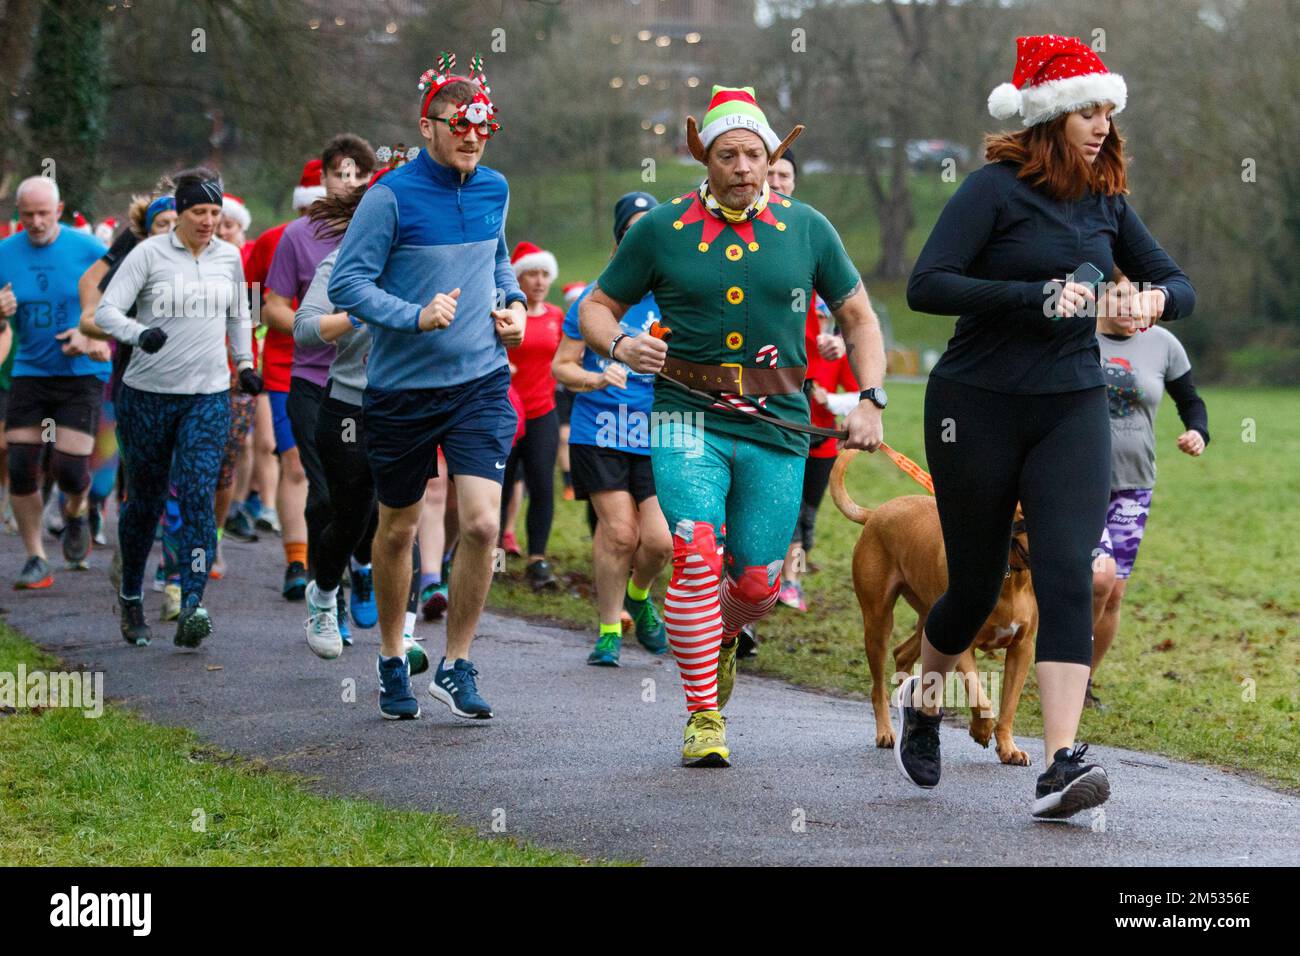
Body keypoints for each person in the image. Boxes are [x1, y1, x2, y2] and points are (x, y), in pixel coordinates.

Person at [903, 35, 1195, 819]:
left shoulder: (1106, 203)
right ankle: (925, 702)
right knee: (972, 588)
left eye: (1107, 111)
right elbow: (926, 286)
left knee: (1068, 569)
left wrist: (1152, 301)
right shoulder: (991, 192)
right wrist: (1033, 296)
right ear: (1048, 117)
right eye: (1086, 111)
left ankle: (1063, 763)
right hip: (977, 403)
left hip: (1072, 404)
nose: (1101, 124)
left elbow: (1179, 282)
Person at [580, 85, 886, 767]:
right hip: (685, 414)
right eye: (728, 154)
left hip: (779, 424)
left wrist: (871, 397)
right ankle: (702, 716)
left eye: (754, 153)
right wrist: (621, 346)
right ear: (705, 157)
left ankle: (716, 634)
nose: (743, 166)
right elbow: (597, 307)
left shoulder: (808, 228)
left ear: (771, 156)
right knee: (693, 551)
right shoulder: (661, 228)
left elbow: (860, 316)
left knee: (757, 583)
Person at [328, 52, 526, 720]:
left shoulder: (494, 188)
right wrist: (412, 316)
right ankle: (391, 657)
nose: (473, 137)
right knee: (397, 530)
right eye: (460, 125)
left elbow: (498, 261)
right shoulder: (389, 196)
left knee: (481, 523)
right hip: (401, 391)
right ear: (428, 126)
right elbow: (347, 285)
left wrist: (511, 306)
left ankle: (458, 662)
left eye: (483, 127)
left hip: (479, 382)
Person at [96, 167, 260, 647]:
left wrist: (246, 362)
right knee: (144, 500)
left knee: (196, 495)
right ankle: (130, 595)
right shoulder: (148, 253)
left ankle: (192, 602)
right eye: (199, 212)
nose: (209, 221)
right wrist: (138, 334)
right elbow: (108, 311)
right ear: (180, 212)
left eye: (216, 212)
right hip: (146, 396)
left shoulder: (229, 257)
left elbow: (239, 313)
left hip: (208, 396)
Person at [264, 135, 376, 633]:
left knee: (373, 493)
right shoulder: (298, 236)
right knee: (328, 491)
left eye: (359, 174)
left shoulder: (387, 231)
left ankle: (365, 566)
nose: (349, 182)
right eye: (340, 174)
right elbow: (273, 307)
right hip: (311, 379)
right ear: (321, 180)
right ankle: (328, 594)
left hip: (375, 384)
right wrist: (323, 328)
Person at [554, 192, 671, 666]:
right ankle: (608, 629)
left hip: (658, 433)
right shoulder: (595, 298)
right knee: (620, 533)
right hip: (599, 430)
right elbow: (561, 367)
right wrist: (596, 377)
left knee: (660, 540)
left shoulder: (673, 296)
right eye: (631, 233)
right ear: (619, 240)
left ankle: (640, 598)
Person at [1089, 291, 1208, 706]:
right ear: (1099, 298)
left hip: (1134, 483)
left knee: (1114, 591)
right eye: (1119, 297)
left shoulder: (1162, 344)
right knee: (1095, 579)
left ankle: (1081, 682)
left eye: (1137, 298)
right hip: (1078, 480)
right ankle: (1058, 659)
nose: (1129, 307)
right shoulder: (1076, 337)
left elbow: (1190, 401)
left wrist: (1198, 433)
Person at [0, 176, 110, 589]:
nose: (36, 222)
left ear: (59, 212)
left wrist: (90, 332)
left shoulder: (87, 249)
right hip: (30, 369)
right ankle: (35, 557)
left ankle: (77, 511)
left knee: (69, 468)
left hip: (81, 374)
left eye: (44, 213)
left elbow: (123, 299)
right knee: (21, 466)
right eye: (27, 214)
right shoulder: (5, 253)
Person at [765, 147, 860, 618]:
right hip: (765, 388)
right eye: (771, 174)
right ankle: (750, 581)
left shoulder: (809, 235)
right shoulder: (749, 238)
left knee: (804, 507)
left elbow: (846, 313)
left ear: (794, 182)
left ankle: (790, 580)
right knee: (770, 498)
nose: (777, 181)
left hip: (815, 407)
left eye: (784, 174)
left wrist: (839, 343)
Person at [241, 159, 330, 597]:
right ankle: (297, 561)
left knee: (340, 469)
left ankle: (339, 554)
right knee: (293, 463)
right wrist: (301, 324)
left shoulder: (359, 238)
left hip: (350, 371)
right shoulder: (275, 240)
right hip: (285, 368)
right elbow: (252, 301)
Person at [500, 240, 563, 590]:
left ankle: (537, 559)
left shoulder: (557, 317)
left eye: (543, 274)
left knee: (541, 483)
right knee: (502, 485)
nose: (538, 281)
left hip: (543, 411)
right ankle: (491, 555)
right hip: (505, 412)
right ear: (518, 280)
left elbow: (569, 357)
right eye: (531, 275)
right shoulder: (507, 315)